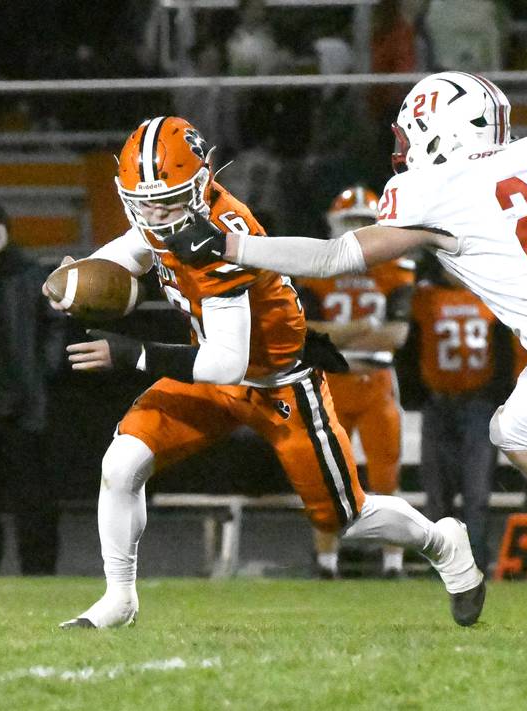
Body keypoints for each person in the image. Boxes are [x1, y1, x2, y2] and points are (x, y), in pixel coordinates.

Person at [170, 71, 527, 628]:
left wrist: (231, 245)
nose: (403, 148)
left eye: (412, 134)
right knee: (516, 432)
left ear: (443, 131)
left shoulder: (432, 189)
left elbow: (333, 258)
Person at [45, 116, 484, 629]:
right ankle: (119, 597)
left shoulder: (221, 237)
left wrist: (132, 353)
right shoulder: (163, 212)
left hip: (279, 384)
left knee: (344, 518)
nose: (155, 214)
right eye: (145, 202)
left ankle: (442, 542)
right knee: (121, 464)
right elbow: (137, 245)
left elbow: (227, 362)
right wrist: (74, 280)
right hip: (213, 379)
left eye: (166, 202)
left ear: (203, 180)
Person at [295, 186, 414, 579]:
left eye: (366, 222)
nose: (359, 230)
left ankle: (393, 565)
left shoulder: (397, 269)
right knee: (323, 476)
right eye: (351, 222)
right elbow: (305, 333)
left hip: (376, 379)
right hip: (329, 381)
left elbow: (395, 337)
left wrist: (336, 333)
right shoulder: (314, 273)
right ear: (335, 226)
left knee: (386, 477)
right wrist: (361, 327)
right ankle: (326, 563)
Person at [0, 200, 64, 575]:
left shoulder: (28, 274)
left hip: (24, 407)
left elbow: (53, 327)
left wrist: (41, 371)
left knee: (33, 499)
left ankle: (39, 572)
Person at [410, 254, 513, 574]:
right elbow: (411, 348)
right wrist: (418, 395)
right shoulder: (425, 297)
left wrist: (498, 397)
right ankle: (439, 566)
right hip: (439, 403)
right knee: (437, 496)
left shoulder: (490, 295)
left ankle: (475, 565)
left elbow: (504, 353)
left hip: (479, 404)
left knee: (476, 494)